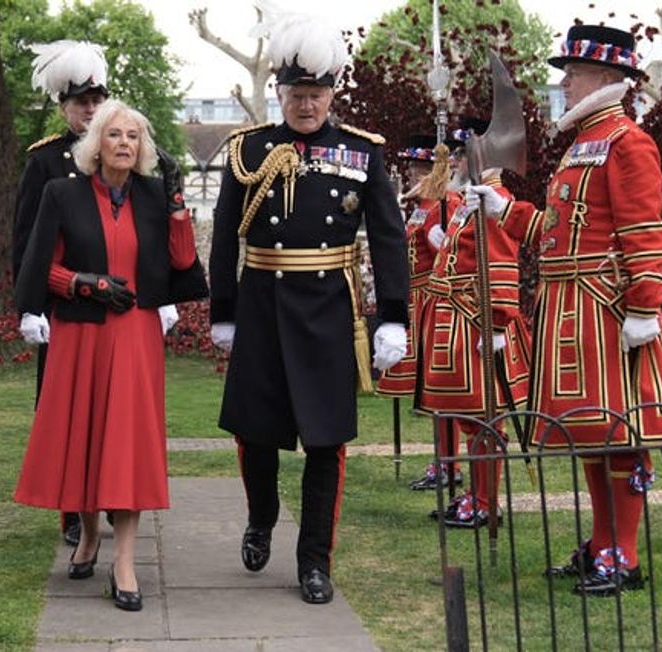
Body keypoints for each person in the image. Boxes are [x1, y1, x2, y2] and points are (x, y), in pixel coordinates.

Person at [467, 25, 662, 595]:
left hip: (608, 312)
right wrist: (502, 208)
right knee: (591, 433)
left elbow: (645, 234)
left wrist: (644, 307)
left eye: (574, 72)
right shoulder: (581, 144)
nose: (563, 82)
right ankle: (602, 542)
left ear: (607, 79)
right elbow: (556, 232)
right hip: (571, 309)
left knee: (622, 433)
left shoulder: (627, 142)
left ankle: (625, 555)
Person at [208, 13, 410, 604]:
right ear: (280, 92)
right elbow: (225, 236)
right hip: (264, 305)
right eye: (297, 94)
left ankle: (314, 561)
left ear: (331, 93)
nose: (306, 104)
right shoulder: (249, 150)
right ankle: (262, 516)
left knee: (326, 442)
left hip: (328, 310)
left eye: (317, 94)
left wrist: (392, 315)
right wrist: (224, 310)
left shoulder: (361, 152)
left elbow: (389, 237)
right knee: (255, 433)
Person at [13, 99, 207, 612]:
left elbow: (181, 262)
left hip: (136, 335)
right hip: (81, 333)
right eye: (115, 134)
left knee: (128, 447)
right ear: (96, 142)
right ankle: (88, 535)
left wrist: (179, 206)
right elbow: (40, 267)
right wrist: (84, 283)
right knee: (85, 438)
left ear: (143, 147)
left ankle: (124, 561)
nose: (125, 142)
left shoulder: (150, 195)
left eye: (134, 136)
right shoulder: (62, 193)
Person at [12, 40, 109, 547]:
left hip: (117, 305)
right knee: (66, 411)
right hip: (64, 304)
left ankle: (113, 495)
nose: (90, 110)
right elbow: (27, 243)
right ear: (63, 107)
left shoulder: (122, 154)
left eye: (96, 101)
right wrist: (29, 307)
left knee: (114, 409)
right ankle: (71, 511)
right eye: (80, 103)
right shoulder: (46, 162)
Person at [415, 117, 532, 528]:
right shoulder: (471, 201)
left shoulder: (493, 199)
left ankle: (486, 501)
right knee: (470, 418)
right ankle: (476, 495)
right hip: (460, 323)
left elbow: (501, 267)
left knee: (485, 417)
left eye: (465, 154)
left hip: (479, 325)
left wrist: (498, 326)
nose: (458, 161)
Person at [373, 135, 465, 491]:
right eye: (411, 168)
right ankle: (442, 459)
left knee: (440, 388)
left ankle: (450, 463)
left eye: (419, 169)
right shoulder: (420, 205)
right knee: (429, 390)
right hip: (417, 299)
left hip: (435, 300)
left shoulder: (446, 203)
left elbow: (450, 256)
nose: (411, 175)